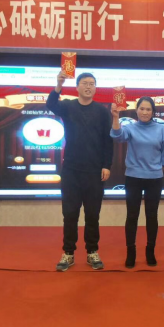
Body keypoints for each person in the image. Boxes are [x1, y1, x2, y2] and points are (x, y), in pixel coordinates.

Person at [46, 71, 113, 271]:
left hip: (94, 171)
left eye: (92, 83)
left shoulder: (102, 111)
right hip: (71, 170)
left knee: (92, 214)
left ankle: (92, 251)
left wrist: (107, 165)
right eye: (84, 83)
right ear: (77, 87)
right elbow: (51, 104)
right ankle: (68, 253)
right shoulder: (68, 106)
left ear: (95, 88)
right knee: (70, 213)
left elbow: (107, 140)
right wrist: (58, 84)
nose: (88, 86)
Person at [110, 97, 164, 268]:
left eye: (148, 109)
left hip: (154, 178)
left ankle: (150, 251)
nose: (145, 112)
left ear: (153, 112)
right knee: (132, 215)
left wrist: (157, 169)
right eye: (142, 109)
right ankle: (131, 252)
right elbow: (117, 136)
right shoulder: (130, 127)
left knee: (152, 216)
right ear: (136, 110)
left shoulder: (161, 129)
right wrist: (115, 117)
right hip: (133, 178)